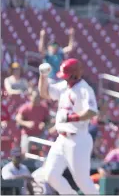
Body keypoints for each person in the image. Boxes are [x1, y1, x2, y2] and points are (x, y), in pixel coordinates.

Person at [37, 58, 99, 194]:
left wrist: (71, 118)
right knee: (50, 175)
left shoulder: (84, 89)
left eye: (68, 76)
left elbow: (92, 111)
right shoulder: (65, 86)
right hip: (62, 139)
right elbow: (44, 93)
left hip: (78, 140)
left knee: (82, 181)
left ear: (76, 74)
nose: (65, 79)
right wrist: (43, 76)